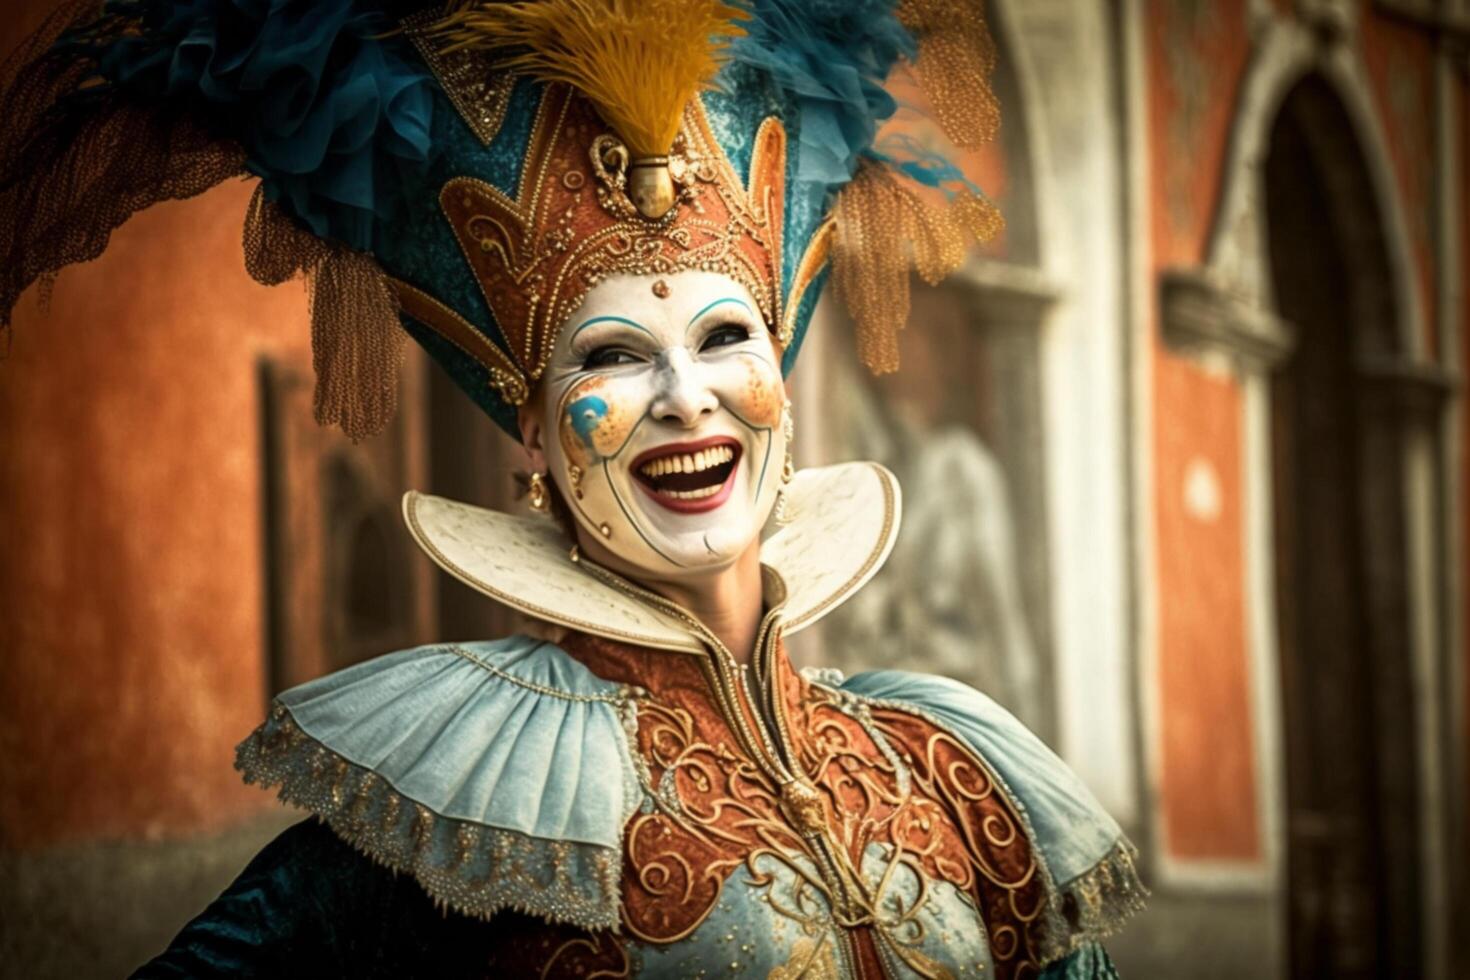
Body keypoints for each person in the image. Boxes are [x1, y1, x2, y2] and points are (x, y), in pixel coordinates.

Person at [0, 0, 1145, 975]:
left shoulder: (950, 764)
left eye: (725, 337)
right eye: (610, 356)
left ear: (782, 385)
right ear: (536, 436)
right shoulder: (456, 796)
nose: (686, 397)